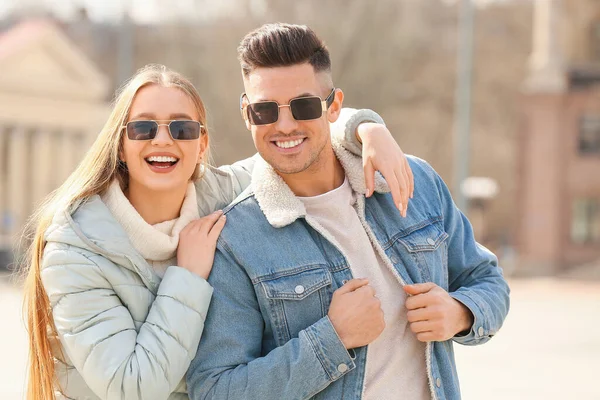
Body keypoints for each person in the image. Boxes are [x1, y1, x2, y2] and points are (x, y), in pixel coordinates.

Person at [22, 64, 414, 400]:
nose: (163, 139)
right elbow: (132, 386)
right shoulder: (75, 246)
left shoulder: (224, 194)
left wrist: (367, 129)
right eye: (143, 128)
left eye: (181, 128)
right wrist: (187, 277)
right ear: (120, 146)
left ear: (202, 142)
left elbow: (295, 136)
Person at [186, 23, 510, 400]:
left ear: (334, 106)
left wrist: (461, 313)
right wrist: (332, 339)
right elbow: (215, 390)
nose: (285, 124)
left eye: (304, 106)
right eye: (265, 110)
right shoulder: (237, 239)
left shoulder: (412, 180)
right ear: (246, 113)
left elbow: (487, 280)